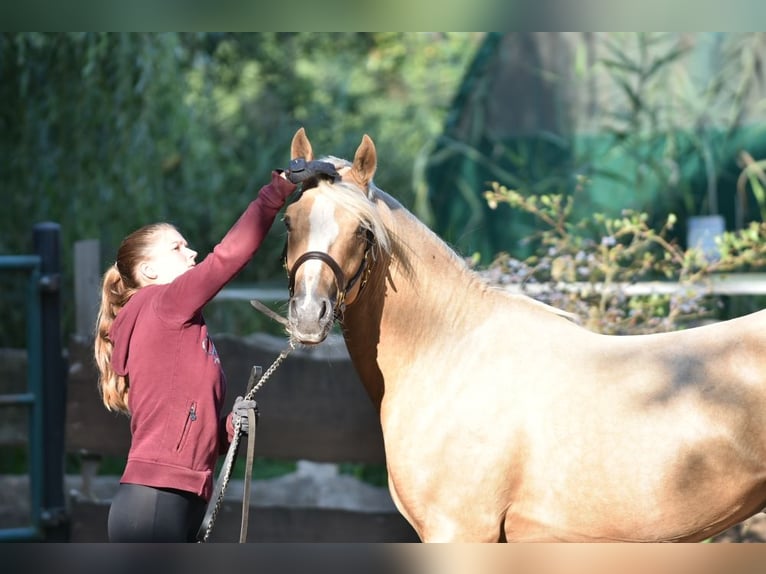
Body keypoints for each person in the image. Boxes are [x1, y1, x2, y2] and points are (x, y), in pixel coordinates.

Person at [93, 170, 296, 542]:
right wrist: (276, 191)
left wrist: (229, 428)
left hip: (175, 502)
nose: (192, 253)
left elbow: (189, 430)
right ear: (149, 270)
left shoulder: (179, 325)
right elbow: (226, 258)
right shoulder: (161, 303)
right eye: (177, 248)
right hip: (154, 504)